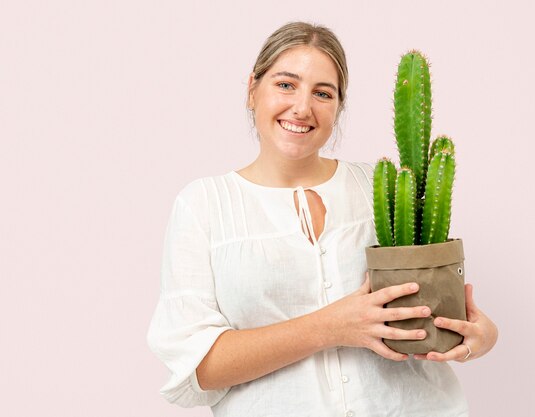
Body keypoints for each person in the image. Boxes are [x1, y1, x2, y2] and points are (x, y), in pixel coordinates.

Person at [146, 21, 498, 417]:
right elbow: (200, 367)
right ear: (252, 89)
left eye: (323, 93)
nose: (302, 107)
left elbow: (431, 306)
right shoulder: (204, 206)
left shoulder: (383, 186)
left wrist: (479, 336)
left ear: (338, 107)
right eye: (285, 84)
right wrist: (332, 325)